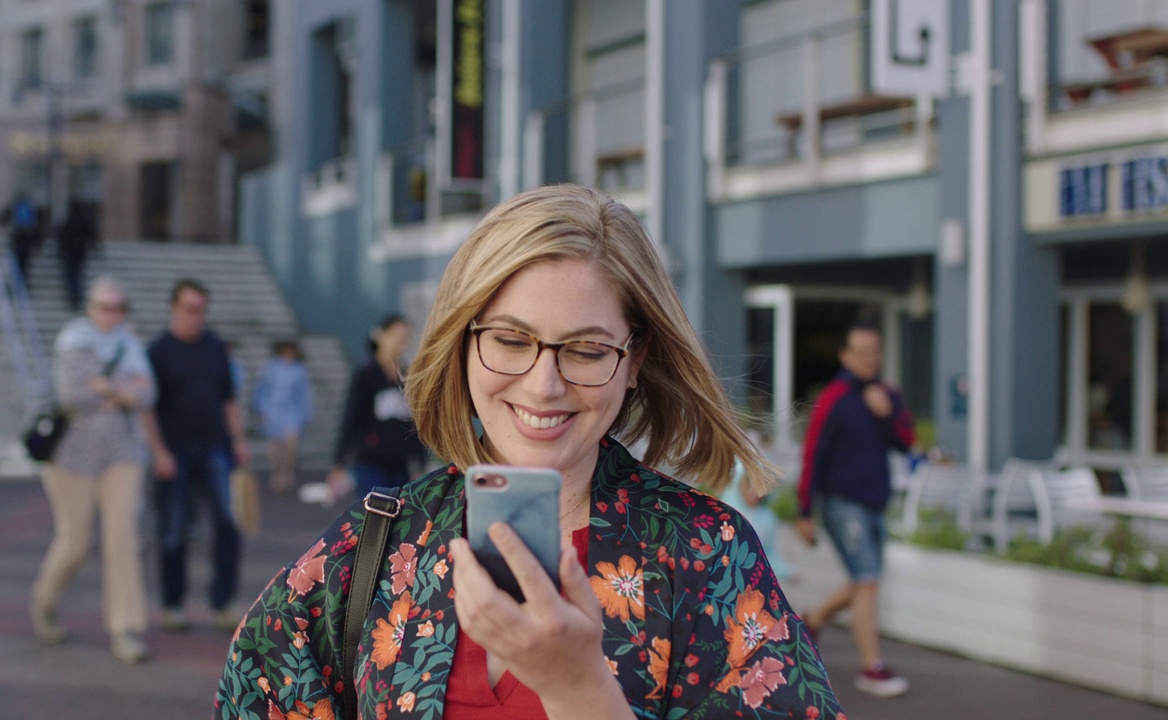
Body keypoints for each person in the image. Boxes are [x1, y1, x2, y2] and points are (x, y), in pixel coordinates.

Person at [214, 184, 844, 719]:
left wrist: (580, 690)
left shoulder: (707, 555)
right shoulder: (375, 547)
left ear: (636, 360)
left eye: (588, 350)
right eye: (511, 340)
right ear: (462, 342)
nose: (544, 384)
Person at [29, 277, 155, 664]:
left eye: (118, 308)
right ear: (90, 307)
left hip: (123, 453)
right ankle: (45, 602)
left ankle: (126, 628)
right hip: (72, 459)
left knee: (123, 539)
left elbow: (149, 394)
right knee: (75, 541)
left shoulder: (131, 345)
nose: (110, 315)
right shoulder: (73, 342)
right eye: (103, 306)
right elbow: (74, 393)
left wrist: (106, 388)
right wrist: (123, 392)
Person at [796, 322, 915, 697]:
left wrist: (886, 414)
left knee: (866, 580)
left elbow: (906, 442)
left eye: (874, 352)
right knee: (866, 580)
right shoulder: (834, 398)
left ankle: (811, 621)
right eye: (861, 352)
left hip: (875, 502)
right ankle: (872, 668)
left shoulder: (886, 394)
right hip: (841, 503)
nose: (869, 359)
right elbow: (813, 453)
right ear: (846, 356)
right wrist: (804, 511)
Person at [142, 279, 251, 633]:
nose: (195, 316)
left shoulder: (216, 347)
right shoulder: (158, 351)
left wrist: (238, 439)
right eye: (189, 309)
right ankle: (173, 603)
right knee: (173, 529)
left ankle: (223, 601)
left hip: (215, 448)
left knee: (227, 524)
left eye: (201, 309)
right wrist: (158, 451)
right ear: (174, 308)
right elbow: (147, 409)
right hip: (174, 452)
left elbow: (228, 398)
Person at [323, 315, 427, 501]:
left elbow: (414, 423)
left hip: (399, 461)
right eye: (396, 336)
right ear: (380, 336)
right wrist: (339, 462)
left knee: (399, 517)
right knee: (374, 515)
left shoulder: (408, 375)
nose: (400, 342)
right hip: (370, 460)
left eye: (405, 338)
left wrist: (419, 463)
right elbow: (351, 417)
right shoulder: (366, 375)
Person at [252, 340, 314, 495]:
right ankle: (277, 475)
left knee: (290, 447)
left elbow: (303, 395)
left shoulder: (299, 371)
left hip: (291, 413)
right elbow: (262, 390)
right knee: (276, 448)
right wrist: (261, 409)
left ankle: (287, 474)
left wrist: (305, 415)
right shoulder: (271, 368)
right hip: (273, 412)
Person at [58, 199, 97, 311]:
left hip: (70, 251)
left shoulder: (69, 220)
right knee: (77, 273)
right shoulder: (84, 220)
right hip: (80, 251)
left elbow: (63, 236)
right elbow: (91, 235)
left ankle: (73, 295)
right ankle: (76, 296)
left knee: (71, 274)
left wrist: (60, 251)